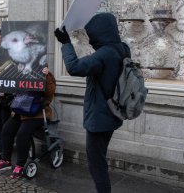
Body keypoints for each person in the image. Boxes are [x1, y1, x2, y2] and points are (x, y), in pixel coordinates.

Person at [54, 13, 130, 193]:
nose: (90, 40)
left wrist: (66, 43)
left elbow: (74, 67)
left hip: (100, 117)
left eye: (91, 35)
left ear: (99, 33)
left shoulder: (104, 55)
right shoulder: (122, 48)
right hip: (113, 112)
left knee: (96, 163)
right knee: (100, 157)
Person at [0, 67, 56, 179]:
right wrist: (1, 75)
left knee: (22, 134)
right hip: (20, 111)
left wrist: (46, 76)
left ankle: (20, 165)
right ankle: (6, 160)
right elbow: (7, 88)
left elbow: (50, 93)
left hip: (38, 113)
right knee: (7, 129)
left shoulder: (45, 73)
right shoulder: (18, 71)